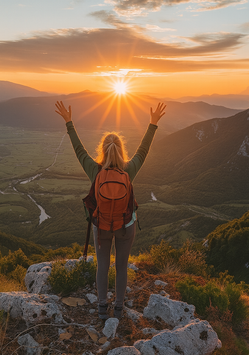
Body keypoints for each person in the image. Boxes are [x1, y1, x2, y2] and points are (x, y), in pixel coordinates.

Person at [54, 100, 166, 320]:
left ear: (102, 150)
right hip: (126, 227)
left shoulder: (95, 171)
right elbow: (143, 151)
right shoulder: (129, 170)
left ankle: (102, 308)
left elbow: (79, 150)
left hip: (102, 226)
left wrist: (69, 122)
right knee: (121, 267)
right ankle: (119, 308)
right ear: (121, 150)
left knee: (102, 266)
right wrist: (153, 124)